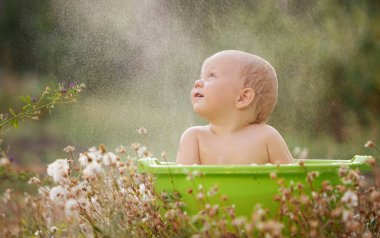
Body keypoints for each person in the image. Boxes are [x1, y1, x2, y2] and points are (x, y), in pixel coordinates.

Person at [176, 50, 293, 165]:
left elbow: (293, 179)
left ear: (243, 97)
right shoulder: (194, 138)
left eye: (211, 76)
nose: (197, 82)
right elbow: (181, 183)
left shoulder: (267, 137)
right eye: (201, 76)